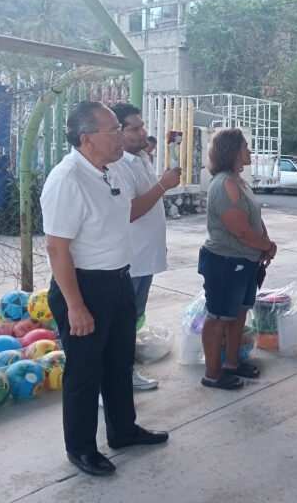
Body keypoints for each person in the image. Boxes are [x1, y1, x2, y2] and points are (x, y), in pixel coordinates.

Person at [41, 101, 168, 477]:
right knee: (84, 373)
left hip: (118, 281)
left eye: (118, 129)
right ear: (86, 139)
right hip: (85, 288)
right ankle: (81, 448)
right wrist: (75, 305)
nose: (119, 137)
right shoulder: (67, 180)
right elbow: (56, 248)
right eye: (112, 131)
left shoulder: (107, 170)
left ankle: (123, 431)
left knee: (118, 362)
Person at [108, 103, 182, 389]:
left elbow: (150, 205)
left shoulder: (141, 159)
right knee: (122, 322)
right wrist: (162, 186)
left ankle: (125, 371)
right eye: (135, 128)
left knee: (134, 318)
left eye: (142, 126)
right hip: (130, 260)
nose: (143, 132)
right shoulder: (117, 166)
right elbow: (130, 211)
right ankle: (117, 376)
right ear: (119, 132)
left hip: (145, 257)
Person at [199, 128, 276, 390]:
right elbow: (240, 230)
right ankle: (212, 373)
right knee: (219, 317)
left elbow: (254, 218)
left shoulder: (238, 181)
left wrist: (264, 243)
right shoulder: (224, 184)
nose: (249, 151)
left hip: (244, 261)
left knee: (239, 313)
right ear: (232, 151)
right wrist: (268, 245)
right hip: (225, 262)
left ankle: (232, 362)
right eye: (245, 146)